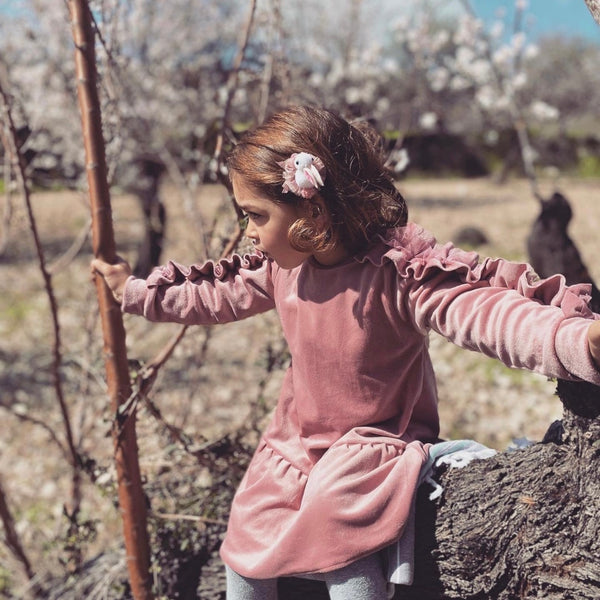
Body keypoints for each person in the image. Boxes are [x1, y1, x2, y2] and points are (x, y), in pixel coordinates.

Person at [93, 105, 600, 600]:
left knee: (337, 531)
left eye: (255, 215)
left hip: (371, 443)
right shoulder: (281, 267)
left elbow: (487, 315)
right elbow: (212, 294)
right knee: (245, 532)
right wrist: (135, 291)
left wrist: (578, 341)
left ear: (311, 211)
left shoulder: (397, 272)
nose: (248, 230)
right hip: (295, 441)